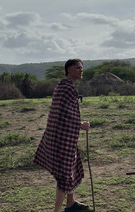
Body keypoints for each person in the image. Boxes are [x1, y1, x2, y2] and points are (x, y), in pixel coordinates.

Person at [34, 59, 92, 212]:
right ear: (69, 70)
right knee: (64, 175)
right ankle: (57, 210)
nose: (81, 70)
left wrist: (78, 123)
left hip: (60, 137)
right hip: (62, 139)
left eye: (81, 68)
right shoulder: (67, 88)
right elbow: (65, 115)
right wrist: (80, 125)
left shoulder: (63, 86)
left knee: (72, 168)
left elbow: (65, 113)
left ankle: (70, 203)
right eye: (77, 68)